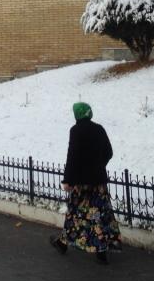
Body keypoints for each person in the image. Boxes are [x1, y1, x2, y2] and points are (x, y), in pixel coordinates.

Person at [49, 102, 122, 264]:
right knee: (99, 215)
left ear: (77, 115)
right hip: (98, 183)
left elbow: (73, 155)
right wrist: (98, 166)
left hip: (81, 184)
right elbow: (109, 152)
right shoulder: (99, 129)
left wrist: (68, 179)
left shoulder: (76, 131)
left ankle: (63, 243)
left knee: (75, 214)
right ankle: (101, 250)